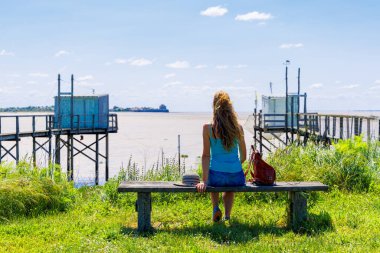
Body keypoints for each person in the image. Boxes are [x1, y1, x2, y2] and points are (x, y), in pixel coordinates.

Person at [196, 90, 247, 222]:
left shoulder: (208, 129)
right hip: (236, 177)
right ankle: (227, 216)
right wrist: (233, 166)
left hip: (216, 176)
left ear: (214, 107)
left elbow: (206, 155)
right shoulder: (238, 128)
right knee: (229, 186)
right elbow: (244, 156)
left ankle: (215, 208)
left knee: (215, 177)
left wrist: (204, 180)